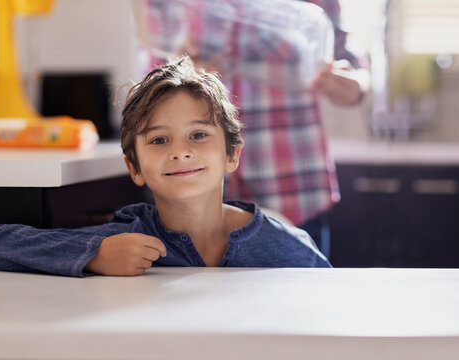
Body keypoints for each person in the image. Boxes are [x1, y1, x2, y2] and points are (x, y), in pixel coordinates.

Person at [0, 57, 331, 277]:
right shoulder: (124, 239)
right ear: (134, 167)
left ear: (232, 155)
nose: (181, 152)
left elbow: (332, 302)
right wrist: (93, 254)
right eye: (158, 140)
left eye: (198, 135)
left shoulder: (286, 245)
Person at [145, 0, 369, 257]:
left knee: (300, 296)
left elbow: (352, 65)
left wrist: (355, 85)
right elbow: (150, 77)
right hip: (192, 193)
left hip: (293, 190)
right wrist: (178, 72)